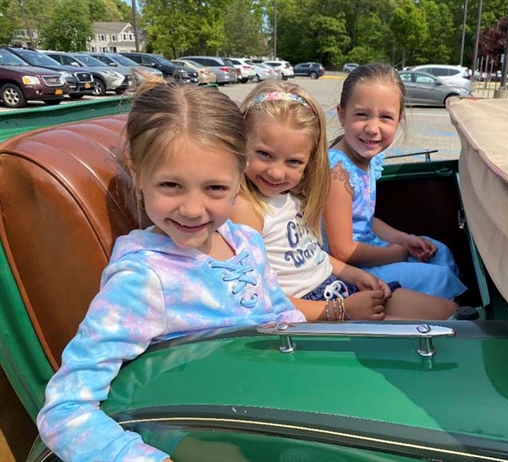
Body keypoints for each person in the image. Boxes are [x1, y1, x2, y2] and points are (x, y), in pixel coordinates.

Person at [36, 74, 306, 462]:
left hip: (264, 406)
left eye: (215, 188)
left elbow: (283, 316)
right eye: (171, 186)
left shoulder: (247, 242)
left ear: (240, 173)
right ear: (139, 172)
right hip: (194, 429)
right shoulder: (144, 279)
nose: (193, 210)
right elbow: (64, 410)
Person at [231, 81, 458, 321]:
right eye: (264, 154)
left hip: (335, 286)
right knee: (433, 331)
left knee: (450, 314)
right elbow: (257, 296)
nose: (277, 173)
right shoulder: (246, 209)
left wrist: (355, 275)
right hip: (312, 309)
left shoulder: (291, 195)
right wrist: (339, 310)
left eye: (294, 162)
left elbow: (311, 256)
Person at [324, 63, 466, 301]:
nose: (372, 128)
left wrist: (404, 240)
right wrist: (397, 253)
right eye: (361, 115)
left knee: (440, 252)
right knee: (439, 278)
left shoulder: (366, 160)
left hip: (370, 250)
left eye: (385, 117)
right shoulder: (338, 172)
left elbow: (367, 220)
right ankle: (447, 317)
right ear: (341, 115)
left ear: (398, 120)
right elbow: (342, 251)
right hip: (351, 271)